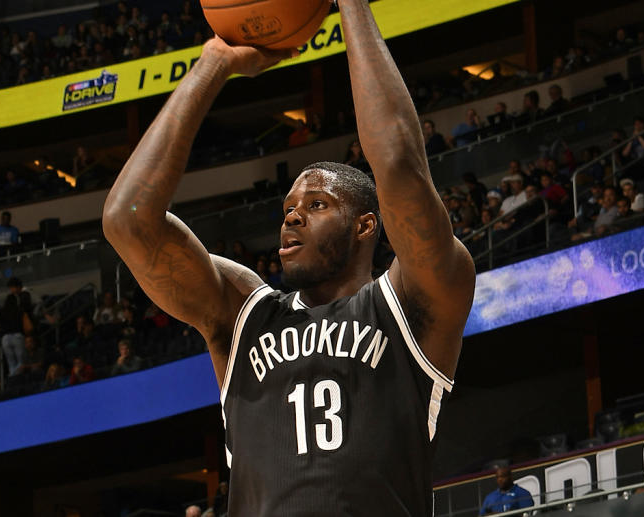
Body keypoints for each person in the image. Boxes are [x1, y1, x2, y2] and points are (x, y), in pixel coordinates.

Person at [102, 4, 476, 514]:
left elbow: (398, 164)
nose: (292, 218)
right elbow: (128, 220)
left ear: (367, 223)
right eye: (288, 209)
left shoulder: (412, 302)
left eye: (317, 205)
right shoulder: (243, 313)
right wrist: (214, 63)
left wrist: (351, 5)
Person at [0, 277, 32, 377]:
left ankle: (14, 379)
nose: (12, 290)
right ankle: (20, 381)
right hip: (17, 336)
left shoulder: (3, 312)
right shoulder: (18, 311)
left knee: (12, 364)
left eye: (12, 288)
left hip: (5, 338)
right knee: (21, 363)